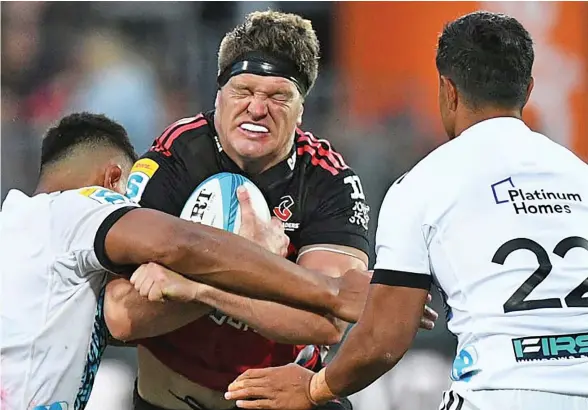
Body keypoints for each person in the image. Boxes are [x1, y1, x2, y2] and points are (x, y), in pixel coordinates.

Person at [225, 10, 588, 410]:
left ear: (447, 89)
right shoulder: (580, 175)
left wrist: (314, 389)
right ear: (528, 88)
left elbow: (384, 340)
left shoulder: (423, 184)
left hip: (500, 392)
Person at [105, 10, 438, 410]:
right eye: (243, 90)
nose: (257, 109)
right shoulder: (176, 156)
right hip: (170, 401)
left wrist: (198, 282)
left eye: (278, 97)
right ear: (218, 94)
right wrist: (250, 263)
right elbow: (121, 316)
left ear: (302, 108)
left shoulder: (329, 181)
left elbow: (325, 323)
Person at [0, 113, 370, 410]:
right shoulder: (78, 208)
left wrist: (190, 289)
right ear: (113, 178)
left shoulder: (22, 229)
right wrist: (323, 286)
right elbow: (180, 243)